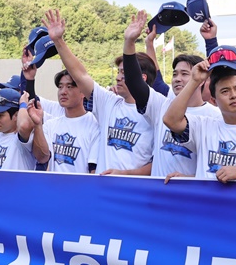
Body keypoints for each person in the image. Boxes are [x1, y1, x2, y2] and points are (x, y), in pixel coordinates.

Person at [47, 9, 155, 176]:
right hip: (104, 191)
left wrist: (125, 174)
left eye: (124, 74)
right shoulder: (109, 103)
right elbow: (81, 75)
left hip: (136, 193)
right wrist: (59, 41)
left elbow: (158, 164)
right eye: (118, 72)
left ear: (142, 78)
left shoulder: (156, 110)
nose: (118, 78)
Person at [122, 16, 221, 179]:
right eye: (175, 74)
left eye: (184, 74)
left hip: (193, 197)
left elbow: (216, 166)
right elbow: (134, 82)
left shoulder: (215, 116)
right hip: (158, 195)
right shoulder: (161, 105)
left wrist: (189, 178)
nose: (177, 79)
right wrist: (129, 42)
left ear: (201, 78)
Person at [162, 51, 236, 182]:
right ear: (214, 100)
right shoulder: (203, 126)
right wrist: (194, 81)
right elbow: (170, 120)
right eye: (225, 91)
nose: (233, 95)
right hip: (206, 202)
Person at [30, 70, 100, 174]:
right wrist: (37, 125)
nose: (63, 92)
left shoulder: (95, 125)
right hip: (54, 188)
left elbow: (93, 170)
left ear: (83, 92)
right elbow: (42, 158)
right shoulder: (50, 125)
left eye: (69, 87)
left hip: (81, 188)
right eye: (60, 87)